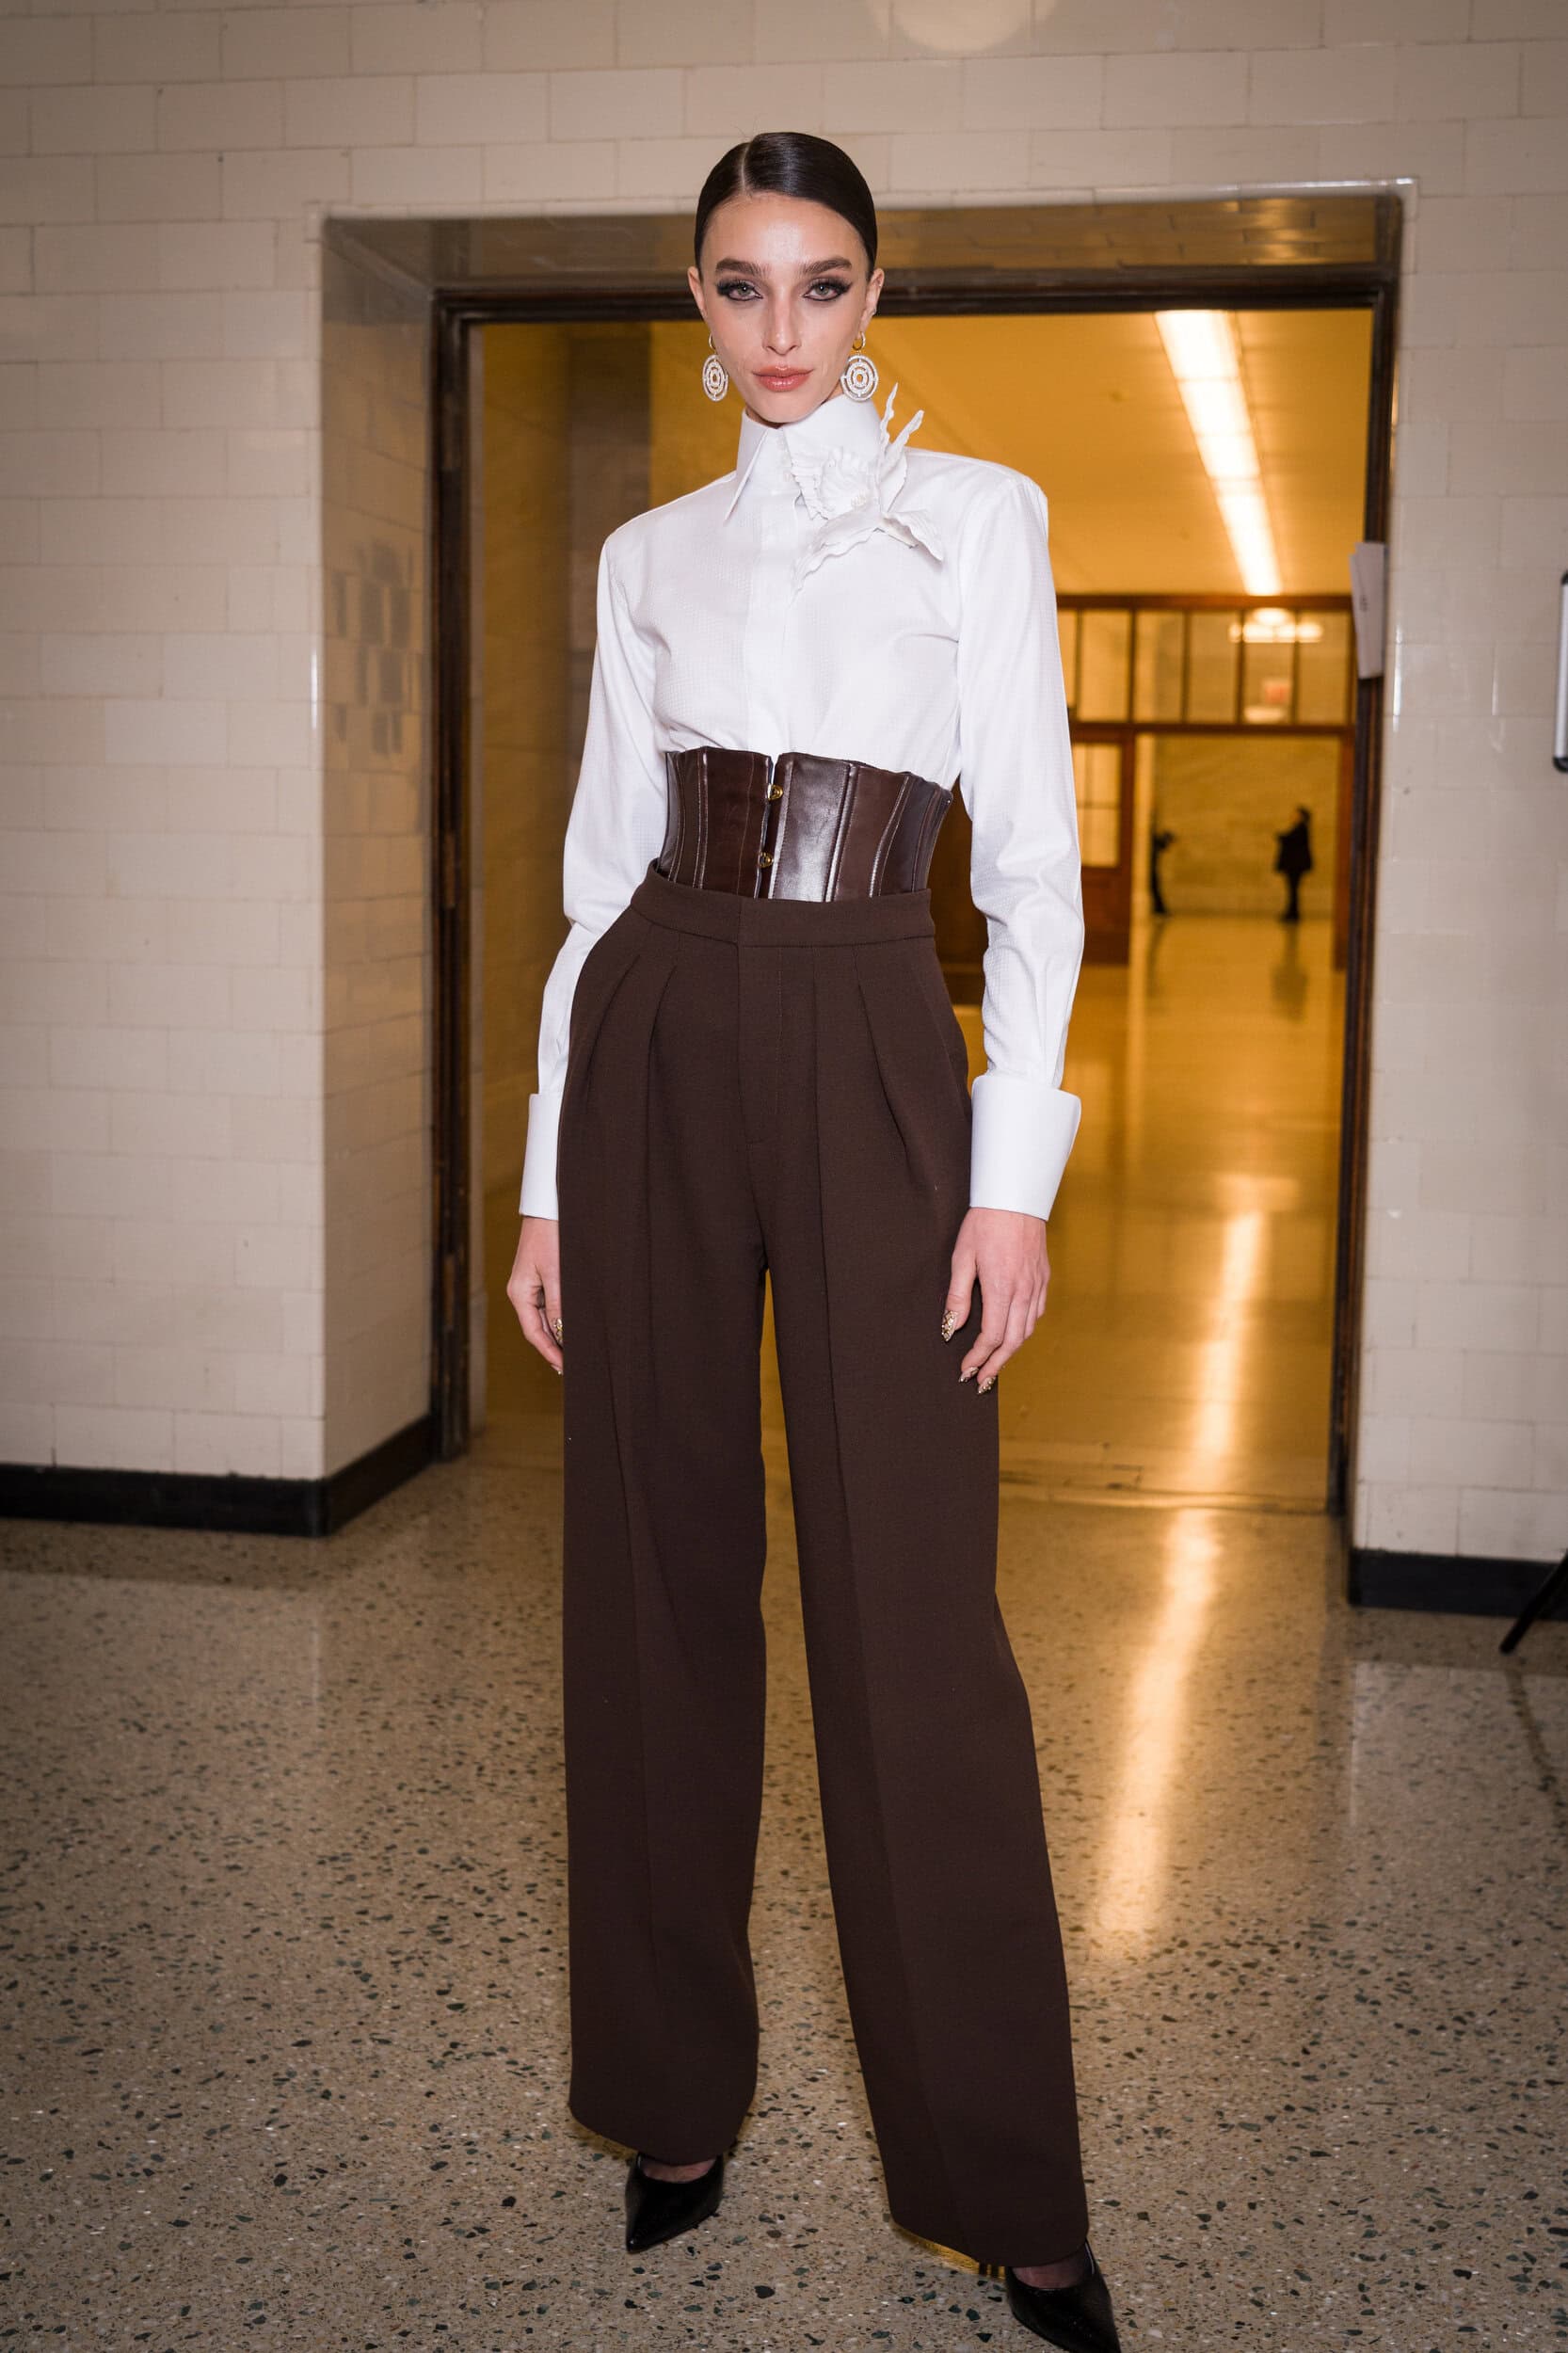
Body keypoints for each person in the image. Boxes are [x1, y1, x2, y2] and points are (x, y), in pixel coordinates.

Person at [506, 132, 1123, 2353]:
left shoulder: (979, 521)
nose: (785, 329)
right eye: (744, 286)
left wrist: (1013, 1177)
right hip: (664, 1017)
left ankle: (1004, 2184)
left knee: (911, 1620)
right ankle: (673, 2099)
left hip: (875, 1018)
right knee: (651, 1577)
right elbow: (594, 885)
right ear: (693, 298)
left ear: (880, 296)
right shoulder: (646, 552)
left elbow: (1036, 871)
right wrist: (549, 1179)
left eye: (825, 284)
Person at [1273, 803, 1314, 921]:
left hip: (1295, 865)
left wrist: (1282, 837)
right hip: (1294, 865)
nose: (1293, 816)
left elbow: (1291, 840)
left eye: (1296, 814)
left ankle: (1293, 913)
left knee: (1293, 890)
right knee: (1292, 890)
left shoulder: (1301, 828)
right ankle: (1291, 912)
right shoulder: (1299, 828)